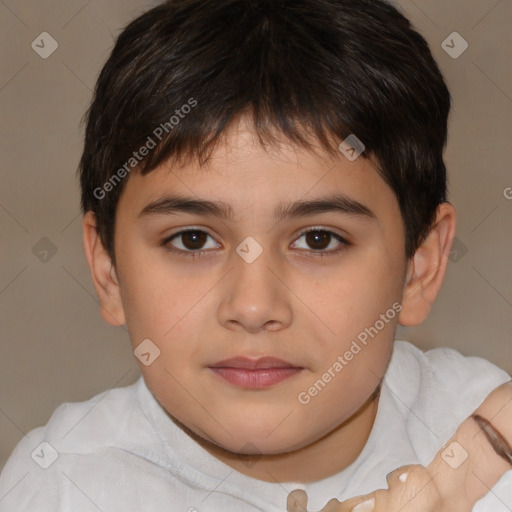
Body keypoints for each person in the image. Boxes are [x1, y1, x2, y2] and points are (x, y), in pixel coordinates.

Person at [0, 0, 510, 510]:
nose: (253, 306)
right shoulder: (60, 487)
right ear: (109, 270)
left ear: (418, 267)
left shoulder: (489, 449)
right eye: (193, 240)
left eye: (318, 240)